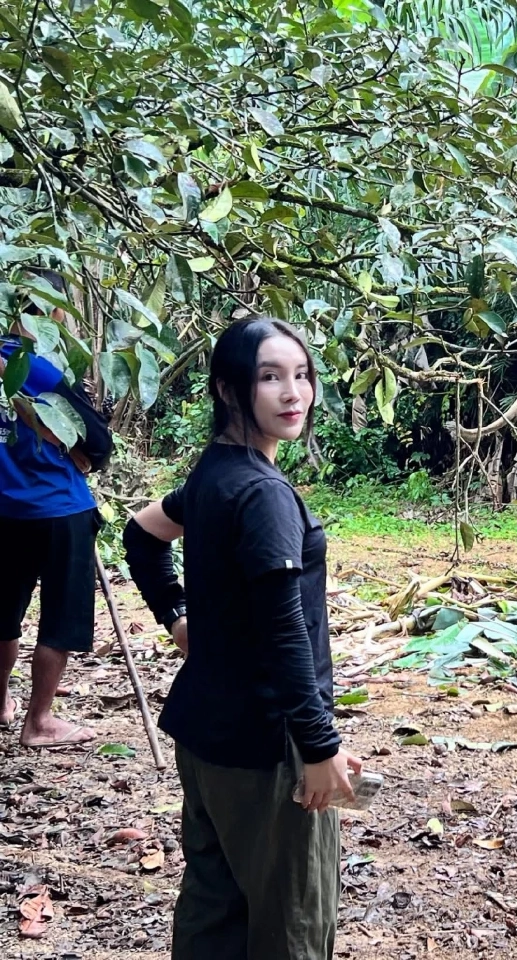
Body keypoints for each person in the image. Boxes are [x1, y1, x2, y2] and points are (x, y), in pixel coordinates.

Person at [122, 315, 361, 960]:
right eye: (270, 377)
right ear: (229, 390)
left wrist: (178, 617)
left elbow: (141, 534)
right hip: (264, 746)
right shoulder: (263, 494)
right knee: (292, 928)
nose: (294, 393)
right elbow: (285, 633)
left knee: (213, 911)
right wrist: (319, 747)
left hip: (206, 738)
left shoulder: (216, 472)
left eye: (302, 375)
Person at [0, 267, 113, 748]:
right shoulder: (42, 369)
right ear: (52, 313)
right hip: (58, 508)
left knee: (2, 612)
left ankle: (0, 702)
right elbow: (98, 441)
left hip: (4, 511)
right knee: (61, 616)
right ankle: (39, 721)